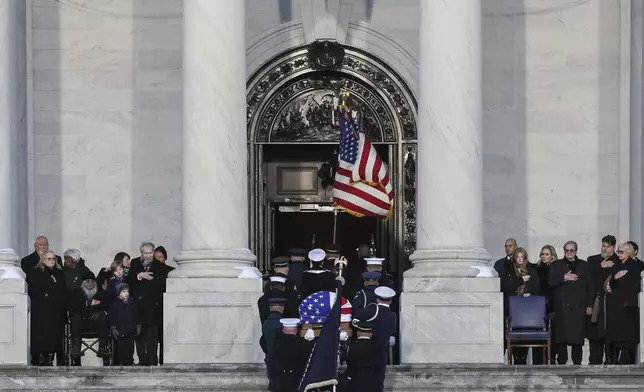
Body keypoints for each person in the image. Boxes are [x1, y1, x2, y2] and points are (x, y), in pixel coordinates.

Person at [548, 241, 594, 365]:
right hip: (561, 307)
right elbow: (550, 281)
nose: (569, 253)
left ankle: (577, 364)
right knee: (561, 338)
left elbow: (590, 286)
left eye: (571, 250)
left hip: (579, 306)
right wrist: (564, 277)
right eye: (566, 250)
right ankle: (561, 364)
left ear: (576, 250)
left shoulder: (584, 265)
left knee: (577, 338)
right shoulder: (556, 265)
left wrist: (590, 305)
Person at [127, 241, 166, 366]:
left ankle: (152, 362)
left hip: (152, 307)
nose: (148, 255)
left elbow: (161, 284)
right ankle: (141, 361)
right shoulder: (134, 263)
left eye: (150, 253)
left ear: (153, 253)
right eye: (145, 253)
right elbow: (129, 280)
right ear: (141, 253)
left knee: (152, 339)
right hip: (137, 307)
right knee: (139, 336)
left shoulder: (159, 266)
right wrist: (139, 275)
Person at [604, 242, 643, 364]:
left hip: (628, 304)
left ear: (629, 252)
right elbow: (611, 282)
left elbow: (635, 284)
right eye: (618, 252)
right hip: (615, 303)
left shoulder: (635, 265)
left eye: (621, 252)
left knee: (627, 333)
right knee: (614, 332)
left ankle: (626, 358)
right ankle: (612, 358)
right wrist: (615, 278)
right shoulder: (617, 265)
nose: (619, 254)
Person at [27, 250, 67, 366]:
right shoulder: (35, 272)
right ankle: (41, 358)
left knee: (54, 335)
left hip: (55, 310)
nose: (52, 261)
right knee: (42, 334)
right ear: (43, 260)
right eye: (49, 258)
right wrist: (49, 284)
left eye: (53, 258)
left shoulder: (59, 272)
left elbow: (63, 289)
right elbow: (34, 289)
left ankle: (50, 357)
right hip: (41, 310)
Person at [500, 247, 540, 364]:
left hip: (527, 308)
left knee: (525, 334)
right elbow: (506, 286)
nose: (520, 259)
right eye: (517, 256)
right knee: (515, 334)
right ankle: (516, 358)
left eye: (522, 256)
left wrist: (530, 292)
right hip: (513, 307)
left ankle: (523, 357)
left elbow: (537, 285)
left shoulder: (532, 269)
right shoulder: (509, 270)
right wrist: (521, 280)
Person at [586, 235, 618, 365]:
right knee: (594, 334)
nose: (605, 249)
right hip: (596, 301)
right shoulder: (593, 260)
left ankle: (610, 361)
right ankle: (594, 362)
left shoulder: (618, 260)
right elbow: (587, 273)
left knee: (610, 333)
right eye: (603, 245)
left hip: (611, 303)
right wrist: (601, 265)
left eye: (608, 246)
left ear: (614, 247)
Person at [68, 279, 110, 363]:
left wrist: (91, 308)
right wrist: (90, 304)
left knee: (102, 315)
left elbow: (105, 305)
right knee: (76, 316)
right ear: (83, 283)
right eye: (87, 281)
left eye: (92, 281)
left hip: (97, 325)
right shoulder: (76, 293)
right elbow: (75, 307)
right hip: (81, 324)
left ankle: (102, 346)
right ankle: (76, 347)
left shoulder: (101, 293)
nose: (90, 283)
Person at [268, 318, 313, 392]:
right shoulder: (303, 343)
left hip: (279, 379)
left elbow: (270, 361)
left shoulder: (275, 343)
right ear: (296, 330)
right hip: (297, 379)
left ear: (283, 330)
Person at [108, 283, 140, 366]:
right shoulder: (115, 305)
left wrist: (138, 325)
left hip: (130, 329)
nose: (126, 293)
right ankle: (121, 362)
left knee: (130, 346)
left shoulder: (132, 302)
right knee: (121, 347)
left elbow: (136, 315)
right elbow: (113, 317)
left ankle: (130, 361)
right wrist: (113, 327)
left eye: (127, 291)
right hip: (120, 329)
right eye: (123, 291)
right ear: (119, 293)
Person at [345, 319, 381, 392]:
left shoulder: (352, 347)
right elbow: (379, 365)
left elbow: (350, 365)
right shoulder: (378, 347)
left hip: (357, 383)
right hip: (374, 383)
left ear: (358, 332)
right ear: (371, 333)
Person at [261, 297, 285, 390]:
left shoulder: (266, 323)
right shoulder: (282, 323)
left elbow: (262, 341)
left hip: (270, 359)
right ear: (282, 308)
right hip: (281, 361)